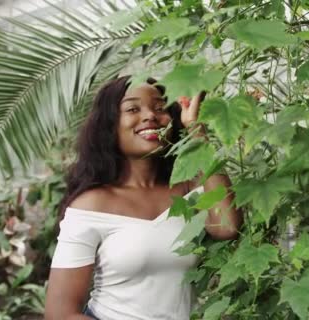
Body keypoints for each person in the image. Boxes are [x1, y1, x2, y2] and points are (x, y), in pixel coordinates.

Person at [44, 76, 242, 320]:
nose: (150, 115)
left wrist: (196, 129)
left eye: (160, 108)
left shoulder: (190, 189)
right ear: (110, 125)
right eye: (132, 109)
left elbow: (227, 227)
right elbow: (60, 314)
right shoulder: (91, 204)